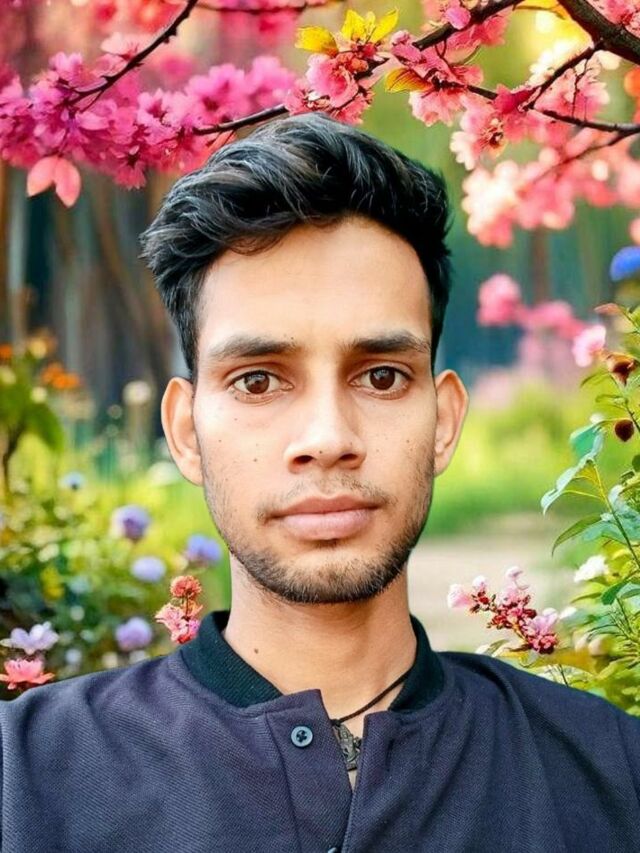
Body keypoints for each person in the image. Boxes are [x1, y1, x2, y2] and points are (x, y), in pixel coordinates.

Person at [1, 112, 639, 853]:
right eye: (258, 380)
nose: (328, 439)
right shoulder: (25, 779)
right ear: (185, 432)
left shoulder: (613, 777)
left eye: (381, 376)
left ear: (443, 421)